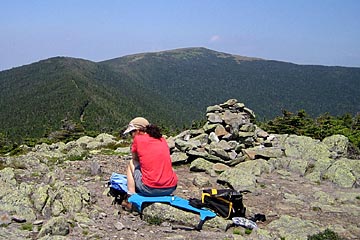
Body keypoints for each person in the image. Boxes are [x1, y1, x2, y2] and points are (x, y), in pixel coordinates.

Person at [121, 117, 178, 209]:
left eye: (132, 132)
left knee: (131, 163)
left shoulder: (138, 139)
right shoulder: (162, 139)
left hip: (149, 189)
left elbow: (135, 159)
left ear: (138, 130)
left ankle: (130, 198)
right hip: (170, 188)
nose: (131, 135)